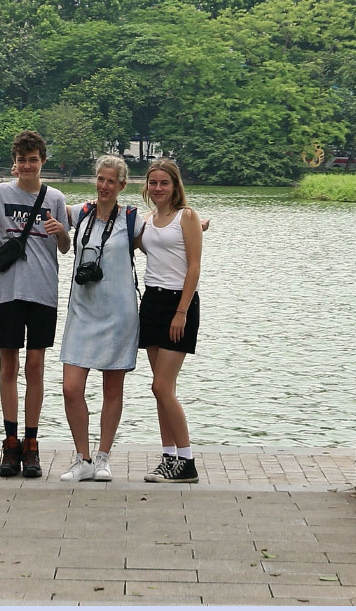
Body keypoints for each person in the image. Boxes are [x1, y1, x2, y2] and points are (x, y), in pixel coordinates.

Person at [0, 131, 70, 478]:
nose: (27, 166)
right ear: (14, 162)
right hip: (9, 291)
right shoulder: (0, 193)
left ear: (43, 162)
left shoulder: (56, 198)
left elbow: (64, 246)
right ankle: (10, 441)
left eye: (33, 160)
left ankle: (32, 444)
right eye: (21, 160)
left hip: (43, 291)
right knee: (8, 366)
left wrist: (58, 231)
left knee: (35, 366)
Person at [58, 155, 137, 482]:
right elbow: (46, 206)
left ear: (121, 185)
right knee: (70, 387)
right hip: (83, 312)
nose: (104, 186)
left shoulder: (132, 220)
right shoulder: (81, 213)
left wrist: (193, 224)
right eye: (100, 180)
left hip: (119, 314)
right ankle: (82, 458)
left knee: (112, 388)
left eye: (111, 181)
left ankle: (103, 457)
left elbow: (165, 232)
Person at [138, 158, 203, 483]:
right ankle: (169, 457)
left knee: (161, 385)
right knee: (162, 390)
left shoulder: (186, 216)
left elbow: (193, 267)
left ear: (175, 185)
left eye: (165, 183)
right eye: (154, 183)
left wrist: (181, 312)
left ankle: (187, 461)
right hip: (151, 301)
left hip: (179, 304)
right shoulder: (148, 220)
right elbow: (130, 240)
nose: (159, 188)